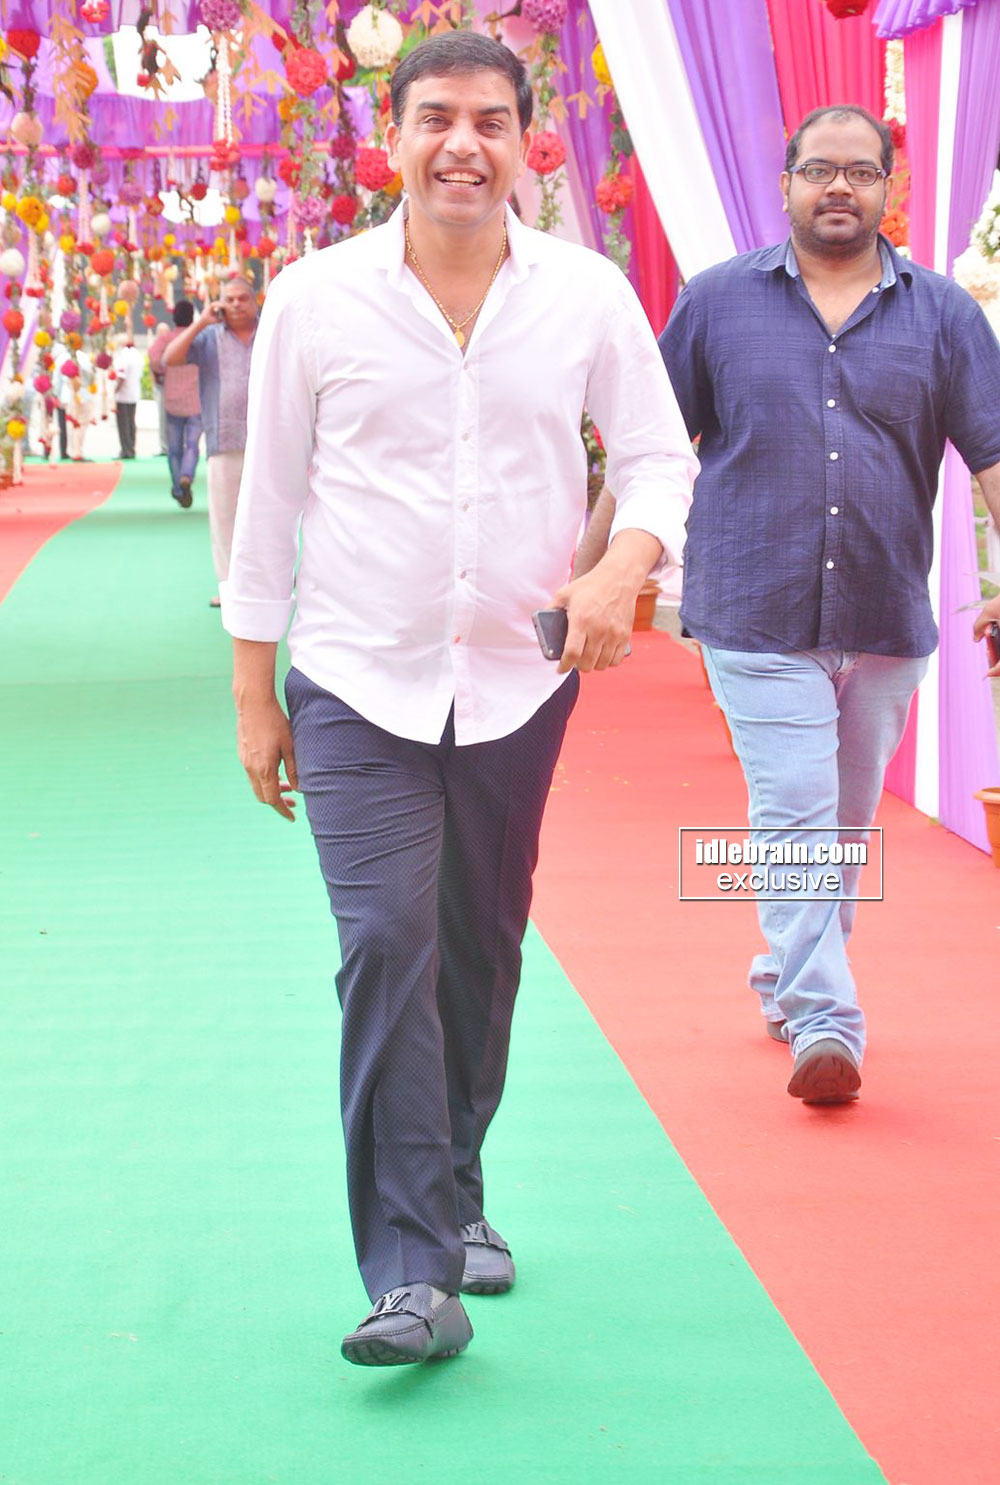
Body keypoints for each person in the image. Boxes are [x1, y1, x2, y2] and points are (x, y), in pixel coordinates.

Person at [220, 31, 696, 1367]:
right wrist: (255, 693)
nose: (462, 145)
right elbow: (271, 500)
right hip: (353, 678)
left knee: (479, 947)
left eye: (490, 120)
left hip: (514, 684)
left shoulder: (585, 295)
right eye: (435, 118)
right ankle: (412, 1272)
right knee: (387, 940)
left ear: (525, 141)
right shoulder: (316, 297)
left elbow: (658, 460)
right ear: (393, 137)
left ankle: (457, 1192)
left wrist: (622, 565)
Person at [586, 103, 1000, 1107]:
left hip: (884, 613)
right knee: (796, 814)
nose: (839, 186)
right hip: (754, 608)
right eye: (820, 170)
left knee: (841, 828)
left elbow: (992, 455)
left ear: (889, 186)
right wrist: (589, 567)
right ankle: (826, 1020)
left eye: (861, 170)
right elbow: (649, 450)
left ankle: (784, 976)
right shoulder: (717, 302)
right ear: (786, 186)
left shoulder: (946, 315)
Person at [163, 276, 258, 605]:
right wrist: (202, 321)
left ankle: (266, 586)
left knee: (267, 517)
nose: (236, 305)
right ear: (220, 304)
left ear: (255, 300)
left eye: (242, 298)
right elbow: (170, 358)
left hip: (267, 442)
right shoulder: (208, 337)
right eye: (229, 299)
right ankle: (229, 586)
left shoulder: (271, 332)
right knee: (225, 519)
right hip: (223, 439)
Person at [148, 300, 203, 509]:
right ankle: (187, 475)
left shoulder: (166, 339)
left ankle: (178, 488)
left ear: (174, 318)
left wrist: (163, 372)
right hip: (196, 400)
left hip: (173, 400)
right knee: (192, 444)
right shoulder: (198, 337)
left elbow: (154, 359)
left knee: (174, 448)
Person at [113, 337, 144, 460]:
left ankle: (126, 450)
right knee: (131, 421)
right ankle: (131, 447)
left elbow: (121, 376)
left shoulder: (123, 356)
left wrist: (114, 391)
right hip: (134, 392)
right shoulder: (137, 354)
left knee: (123, 423)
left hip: (123, 394)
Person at [147, 318, 170, 456]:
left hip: (172, 387)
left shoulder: (173, 346)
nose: (162, 335)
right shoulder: (154, 348)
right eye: (160, 332)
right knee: (162, 417)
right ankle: (164, 446)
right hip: (160, 387)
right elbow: (151, 366)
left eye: (165, 332)